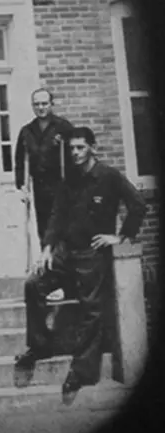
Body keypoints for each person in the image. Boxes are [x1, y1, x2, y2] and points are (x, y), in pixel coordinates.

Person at [14, 126, 146, 405]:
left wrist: (120, 237)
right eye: (71, 148)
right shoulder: (69, 179)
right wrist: (47, 248)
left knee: (91, 308)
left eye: (80, 148)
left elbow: (138, 204)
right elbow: (57, 215)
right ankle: (40, 345)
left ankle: (81, 372)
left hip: (92, 255)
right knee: (33, 284)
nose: (74, 153)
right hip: (65, 253)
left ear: (92, 148)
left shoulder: (108, 176)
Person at [14, 88, 74, 244]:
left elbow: (75, 156)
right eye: (36, 104)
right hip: (40, 187)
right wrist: (22, 185)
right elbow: (20, 161)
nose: (40, 107)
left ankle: (65, 265)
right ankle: (47, 263)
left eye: (44, 103)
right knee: (44, 227)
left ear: (51, 104)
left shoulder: (64, 127)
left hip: (62, 184)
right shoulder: (27, 131)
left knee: (63, 226)